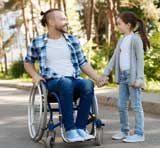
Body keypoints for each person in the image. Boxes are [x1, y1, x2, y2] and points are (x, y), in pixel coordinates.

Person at [24, 9, 107, 143]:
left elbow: (83, 63)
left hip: (74, 79)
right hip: (52, 82)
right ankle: (70, 130)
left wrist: (97, 78)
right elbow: (28, 62)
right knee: (65, 83)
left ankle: (80, 128)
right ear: (51, 22)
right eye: (62, 19)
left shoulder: (72, 40)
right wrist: (35, 75)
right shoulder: (38, 42)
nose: (66, 22)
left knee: (87, 84)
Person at [102, 11, 150, 143]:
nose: (118, 26)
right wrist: (105, 73)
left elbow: (140, 60)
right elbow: (114, 58)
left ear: (128, 25)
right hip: (123, 76)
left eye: (119, 24)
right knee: (121, 105)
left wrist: (140, 78)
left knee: (136, 106)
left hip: (133, 76)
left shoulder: (136, 39)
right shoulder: (122, 40)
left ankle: (139, 133)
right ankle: (124, 130)